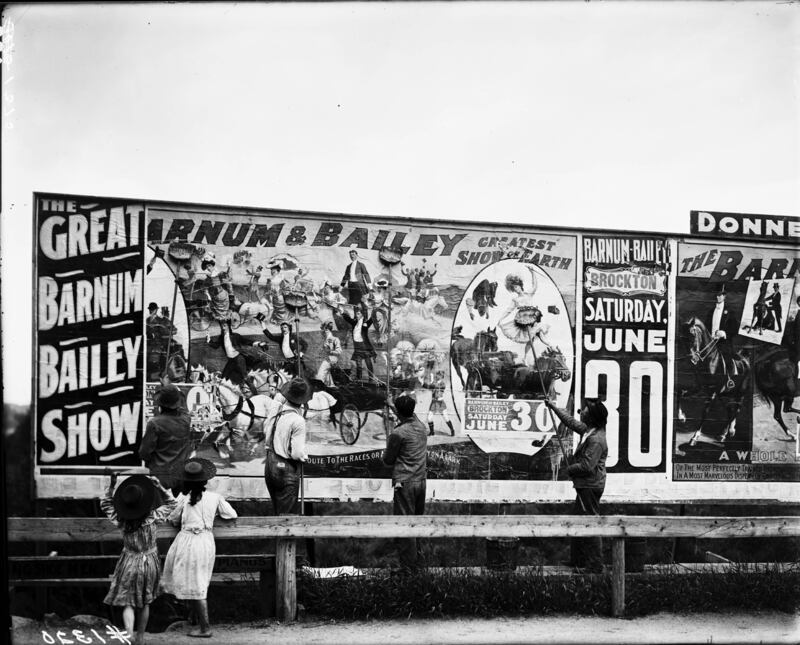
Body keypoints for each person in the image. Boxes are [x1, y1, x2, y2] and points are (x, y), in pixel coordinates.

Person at [160, 458, 237, 638]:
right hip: (204, 540)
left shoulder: (184, 499)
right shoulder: (214, 498)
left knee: (195, 582)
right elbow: (231, 514)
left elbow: (173, 519)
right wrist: (212, 516)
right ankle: (196, 621)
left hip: (187, 541)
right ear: (204, 480)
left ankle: (205, 627)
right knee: (198, 581)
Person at [101, 472, 177, 645]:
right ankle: (140, 638)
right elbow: (173, 503)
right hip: (149, 562)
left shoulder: (121, 519)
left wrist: (112, 485)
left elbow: (105, 503)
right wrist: (159, 487)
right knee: (145, 602)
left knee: (128, 601)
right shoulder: (153, 517)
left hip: (128, 561)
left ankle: (129, 635)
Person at [544, 398, 609, 573]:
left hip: (590, 486)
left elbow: (587, 467)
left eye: (586, 409)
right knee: (579, 521)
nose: (583, 411)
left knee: (590, 523)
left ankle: (595, 565)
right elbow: (570, 421)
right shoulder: (589, 431)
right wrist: (553, 407)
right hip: (586, 485)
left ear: (593, 417)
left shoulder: (596, 440)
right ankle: (579, 561)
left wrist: (569, 469)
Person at [383, 393, 428, 570]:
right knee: (417, 524)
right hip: (421, 481)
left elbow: (388, 460)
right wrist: (392, 405)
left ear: (399, 413)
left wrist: (385, 451)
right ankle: (419, 565)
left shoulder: (398, 433)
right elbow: (406, 415)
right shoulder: (421, 426)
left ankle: (408, 570)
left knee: (404, 525)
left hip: (405, 483)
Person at [263, 378, 312, 515]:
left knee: (278, 512)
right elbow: (296, 454)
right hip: (285, 470)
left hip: (270, 465)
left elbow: (266, 431)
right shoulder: (298, 421)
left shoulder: (276, 411)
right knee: (286, 517)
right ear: (303, 400)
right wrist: (303, 457)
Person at [497, 265, 556, 365]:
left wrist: (532, 272)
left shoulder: (529, 294)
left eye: (517, 287)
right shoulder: (515, 300)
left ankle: (525, 358)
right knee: (538, 333)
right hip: (523, 321)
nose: (516, 289)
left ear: (520, 285)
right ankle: (550, 345)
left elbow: (535, 285)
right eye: (514, 288)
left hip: (533, 318)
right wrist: (500, 319)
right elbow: (508, 310)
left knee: (532, 339)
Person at [139, 384, 192, 493]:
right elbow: (183, 411)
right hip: (181, 477)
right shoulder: (186, 420)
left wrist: (152, 463)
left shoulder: (154, 423)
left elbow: (144, 453)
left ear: (160, 404)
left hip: (160, 477)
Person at [709, 285, 740, 389]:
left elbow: (735, 328)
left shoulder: (730, 311)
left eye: (720, 295)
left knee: (726, 358)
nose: (718, 297)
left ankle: (730, 381)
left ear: (724, 296)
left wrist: (725, 333)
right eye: (717, 295)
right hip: (711, 343)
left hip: (724, 343)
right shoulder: (711, 311)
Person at [339, 301, 377, 381]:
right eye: (356, 313)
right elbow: (348, 319)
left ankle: (371, 378)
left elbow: (371, 319)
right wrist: (342, 312)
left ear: (362, 314)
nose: (357, 315)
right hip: (357, 346)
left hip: (364, 346)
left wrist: (374, 310)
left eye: (359, 314)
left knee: (368, 362)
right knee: (358, 363)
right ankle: (359, 379)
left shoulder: (365, 323)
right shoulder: (354, 322)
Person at [193, 253, 231, 321]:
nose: (208, 268)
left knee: (221, 316)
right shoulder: (209, 277)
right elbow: (206, 287)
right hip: (215, 297)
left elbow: (226, 280)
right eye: (206, 267)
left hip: (222, 296)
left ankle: (223, 322)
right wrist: (208, 294)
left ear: (212, 265)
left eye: (209, 266)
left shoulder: (218, 273)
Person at [425, 370, 454, 437]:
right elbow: (430, 388)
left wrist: (432, 381)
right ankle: (432, 432)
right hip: (434, 403)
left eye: (439, 375)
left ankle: (452, 430)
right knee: (429, 418)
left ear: (441, 376)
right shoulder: (434, 382)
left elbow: (437, 388)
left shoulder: (442, 384)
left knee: (446, 418)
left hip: (440, 403)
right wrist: (428, 383)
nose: (437, 376)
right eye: (437, 374)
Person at [315, 321, 343, 387]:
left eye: (325, 329)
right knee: (326, 375)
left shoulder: (335, 339)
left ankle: (320, 387)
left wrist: (330, 352)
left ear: (327, 329)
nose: (323, 331)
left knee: (320, 375)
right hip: (326, 359)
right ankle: (331, 386)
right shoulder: (325, 340)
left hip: (331, 360)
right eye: (323, 330)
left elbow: (339, 351)